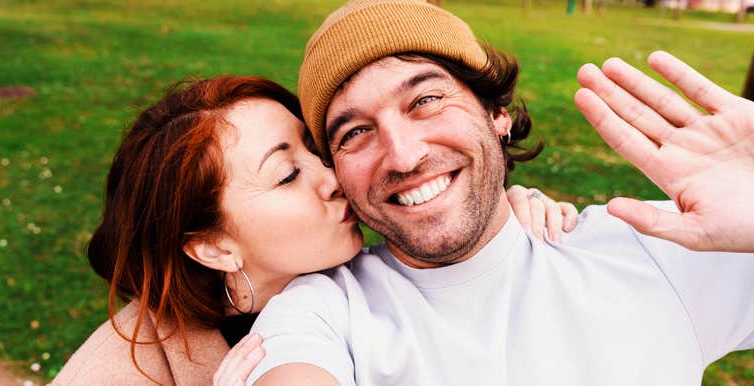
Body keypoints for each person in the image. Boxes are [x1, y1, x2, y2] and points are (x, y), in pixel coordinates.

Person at [243, 1, 754, 385]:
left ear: (496, 113)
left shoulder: (651, 249)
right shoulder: (324, 311)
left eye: (425, 99)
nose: (402, 156)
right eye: (354, 133)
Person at [49, 75, 575, 385]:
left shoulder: (336, 285)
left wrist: (496, 220)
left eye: (314, 147)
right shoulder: (122, 370)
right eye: (286, 175)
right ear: (213, 247)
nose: (333, 177)